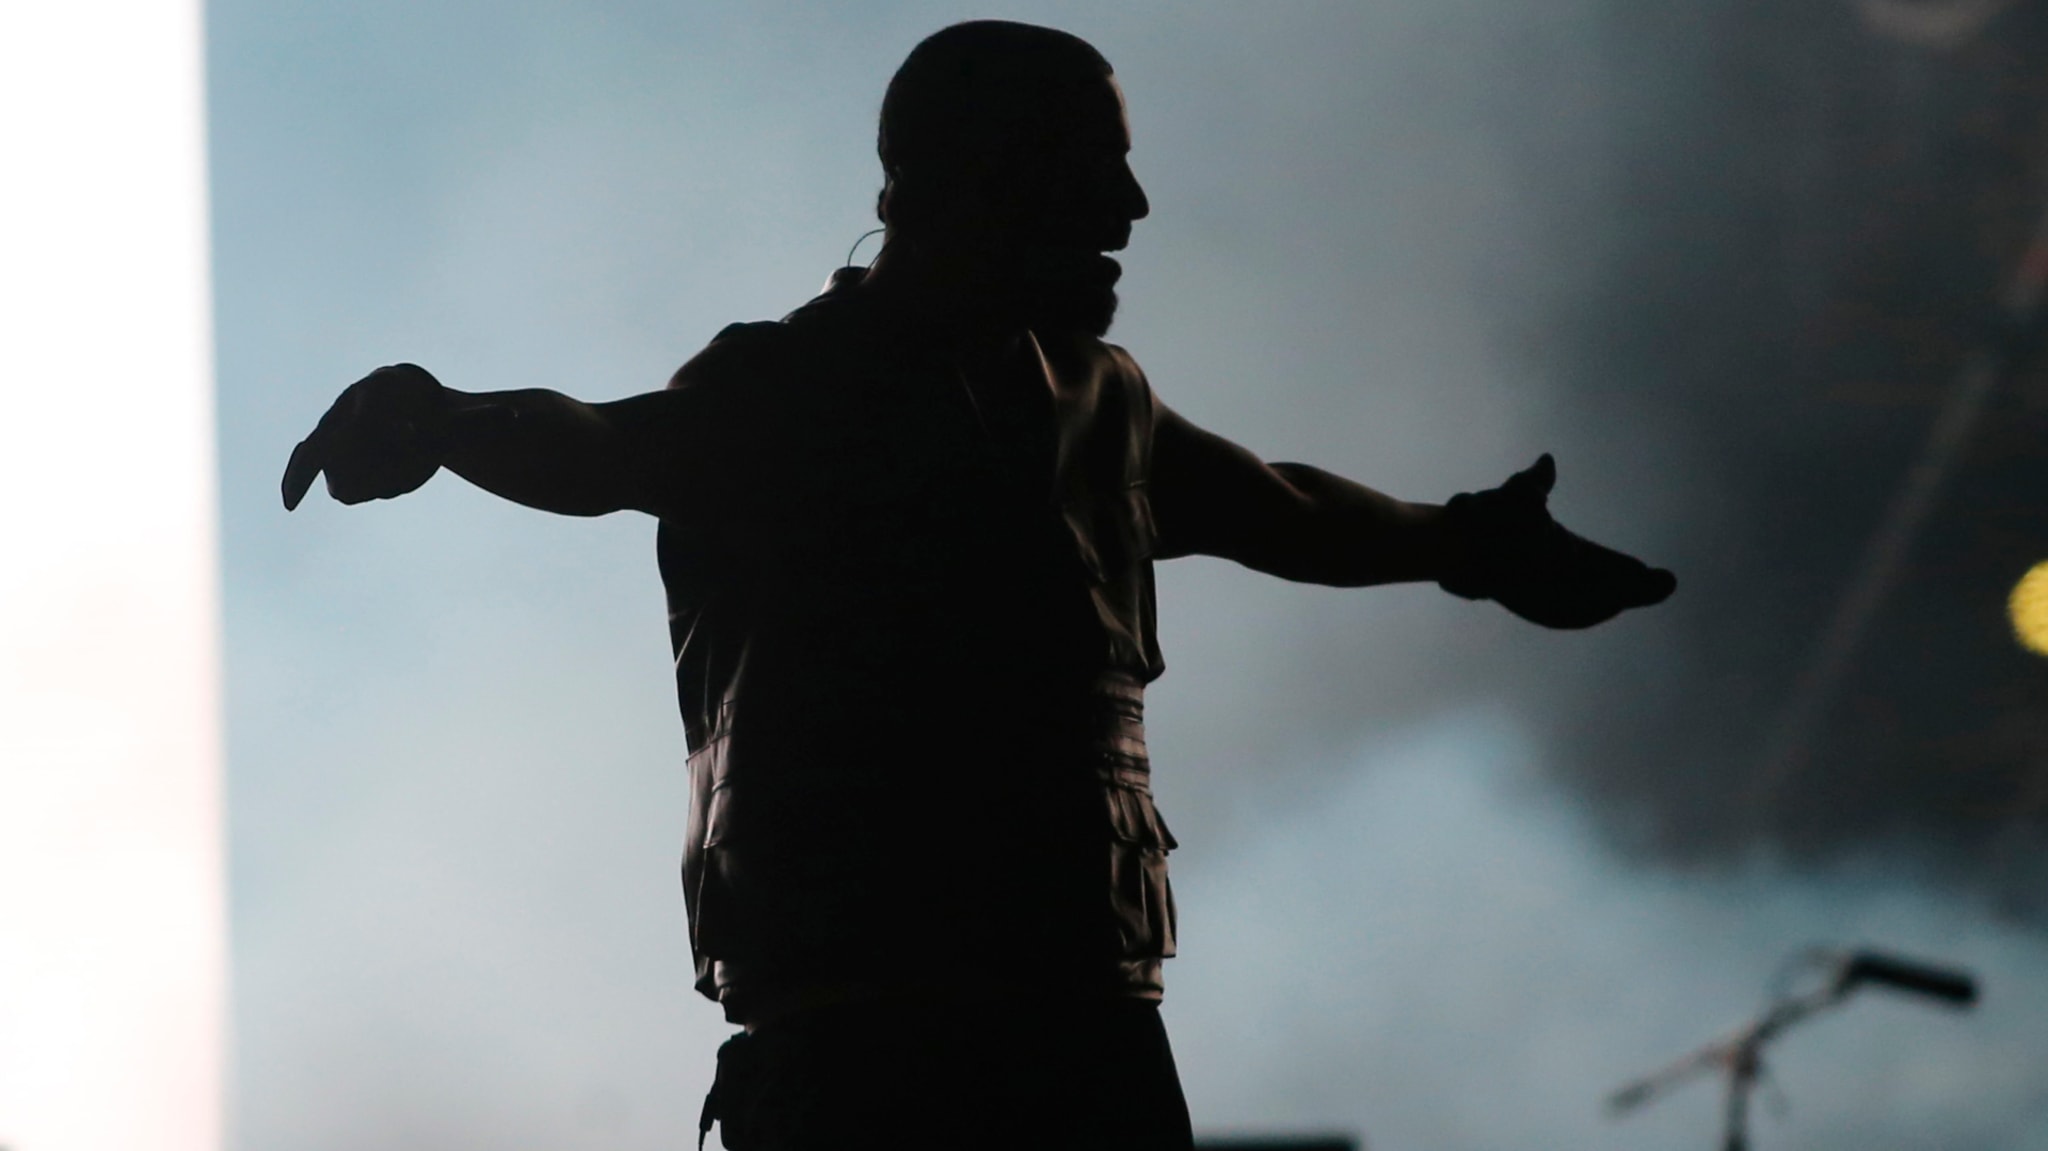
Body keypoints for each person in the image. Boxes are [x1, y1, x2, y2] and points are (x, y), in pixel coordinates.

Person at [281, 20, 1674, 1151]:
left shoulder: (1095, 403)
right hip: (873, 1061)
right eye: (1090, 166)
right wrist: (454, 422)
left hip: (1083, 1035)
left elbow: (1284, 510)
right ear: (979, 176)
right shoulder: (796, 390)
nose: (1129, 206)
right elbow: (606, 447)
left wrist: (1464, 544)